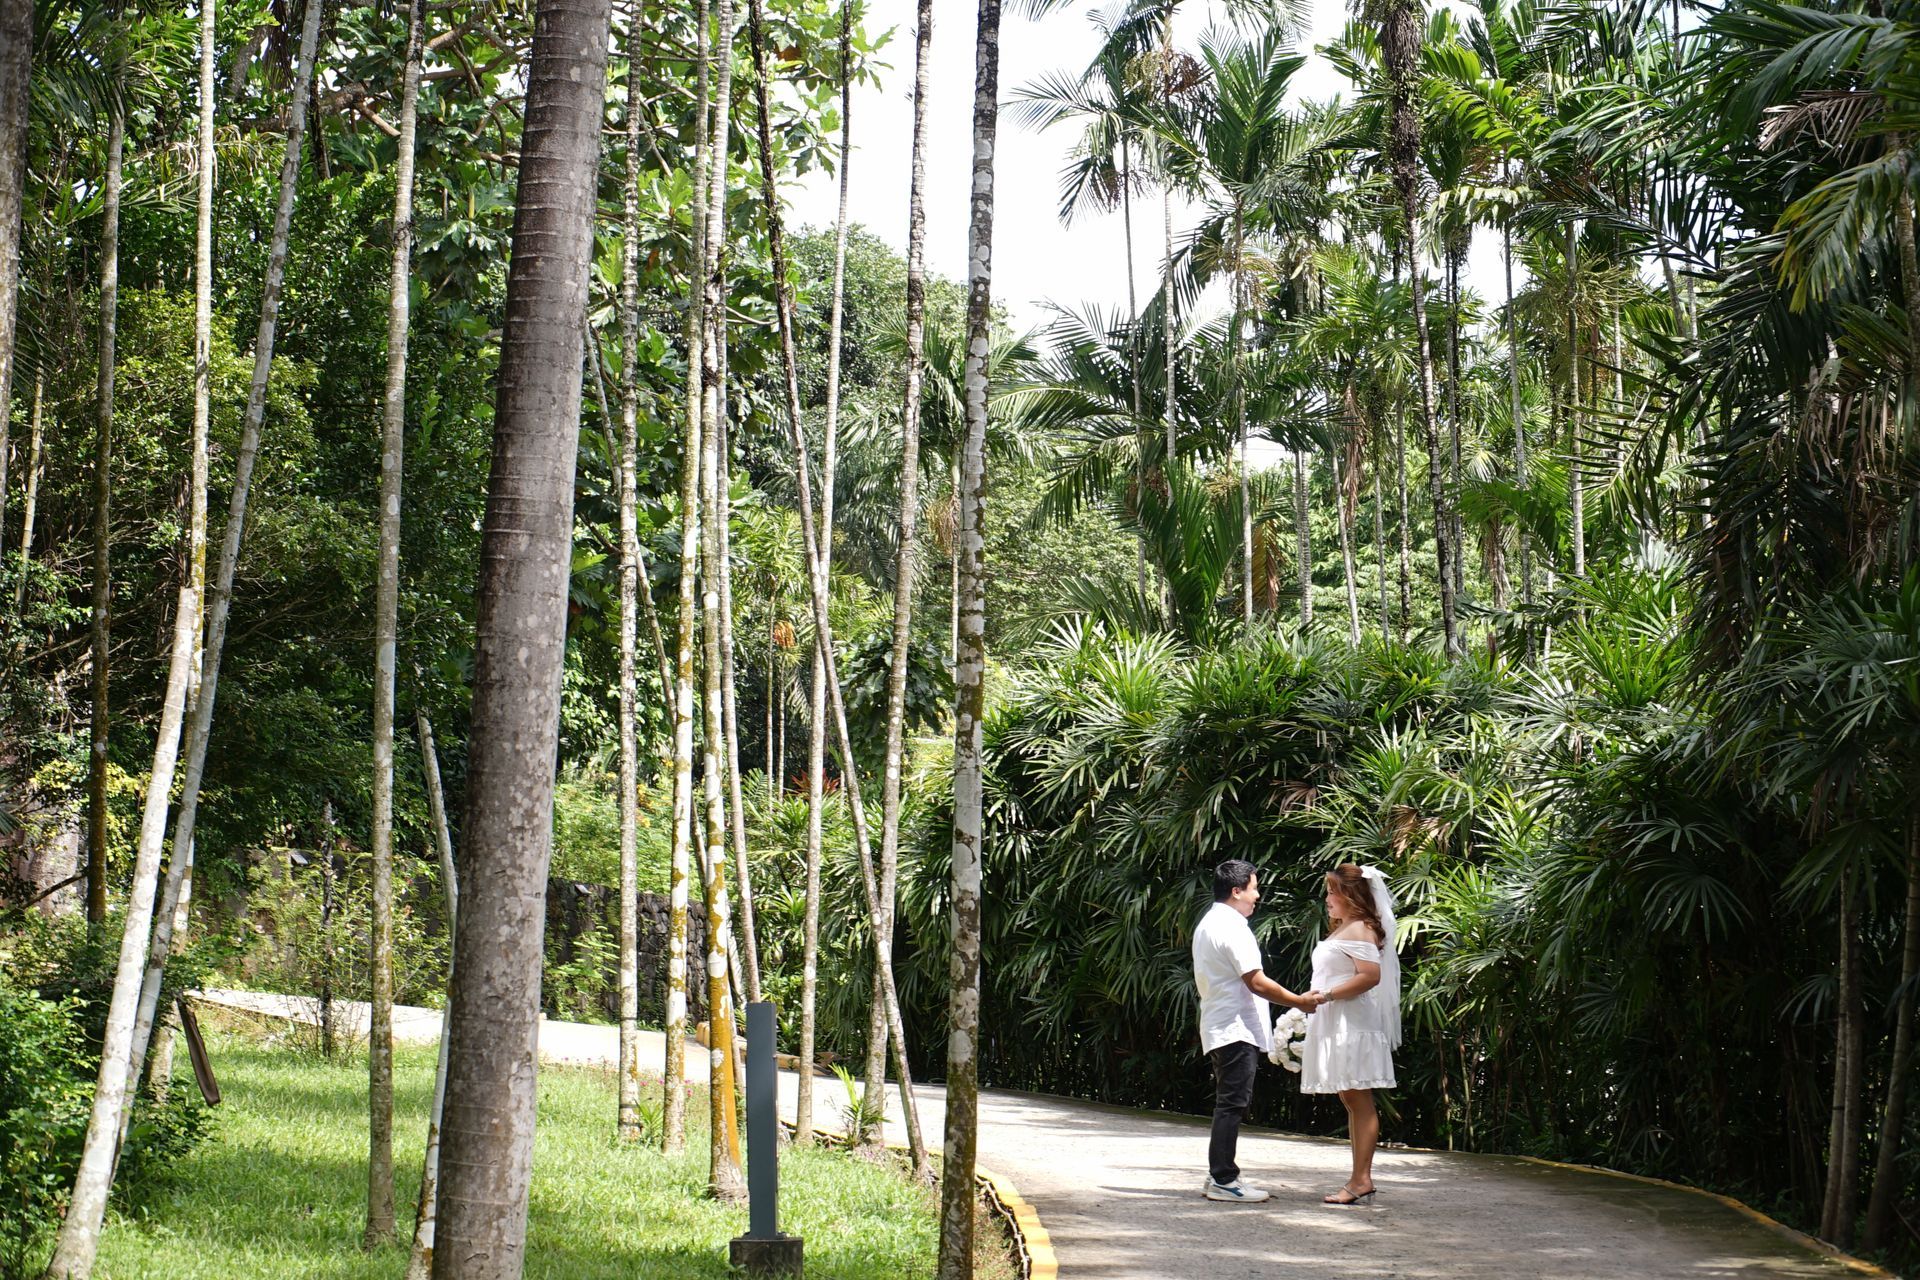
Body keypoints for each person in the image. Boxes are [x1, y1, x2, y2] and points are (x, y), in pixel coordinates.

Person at [1192, 859, 1322, 1203]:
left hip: (1222, 1023)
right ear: (1236, 891)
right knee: (1231, 1104)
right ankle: (1224, 1178)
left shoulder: (1210, 922)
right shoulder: (1231, 927)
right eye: (1254, 888)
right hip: (1234, 1027)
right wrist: (1299, 1001)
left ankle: (1219, 1175)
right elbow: (1257, 981)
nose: (1257, 895)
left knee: (1229, 1102)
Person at [1300, 864, 1401, 1206]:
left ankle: (1361, 1179)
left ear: (1351, 896)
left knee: (1359, 1099)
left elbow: (1370, 976)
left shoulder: (1360, 928)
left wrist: (1326, 996)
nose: (1327, 899)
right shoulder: (1347, 928)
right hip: (1341, 1021)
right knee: (1352, 1098)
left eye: (1332, 892)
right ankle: (1359, 1178)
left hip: (1352, 1023)